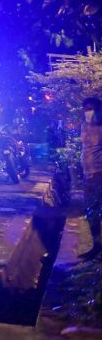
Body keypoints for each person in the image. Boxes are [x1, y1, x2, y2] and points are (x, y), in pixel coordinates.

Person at [81, 96, 102, 259]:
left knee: (96, 210)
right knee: (91, 212)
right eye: (86, 109)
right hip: (89, 174)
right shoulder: (84, 126)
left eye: (92, 108)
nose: (89, 112)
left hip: (99, 174)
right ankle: (97, 245)